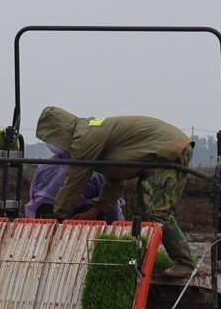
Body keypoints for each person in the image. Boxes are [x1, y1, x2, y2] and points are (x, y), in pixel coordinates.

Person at [31, 107, 197, 265]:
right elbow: (114, 181)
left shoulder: (86, 136)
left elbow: (76, 179)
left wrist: (59, 217)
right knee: (139, 207)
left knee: (157, 212)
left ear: (60, 132)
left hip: (168, 149)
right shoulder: (97, 139)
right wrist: (94, 212)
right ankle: (145, 260)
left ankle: (184, 263)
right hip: (159, 154)